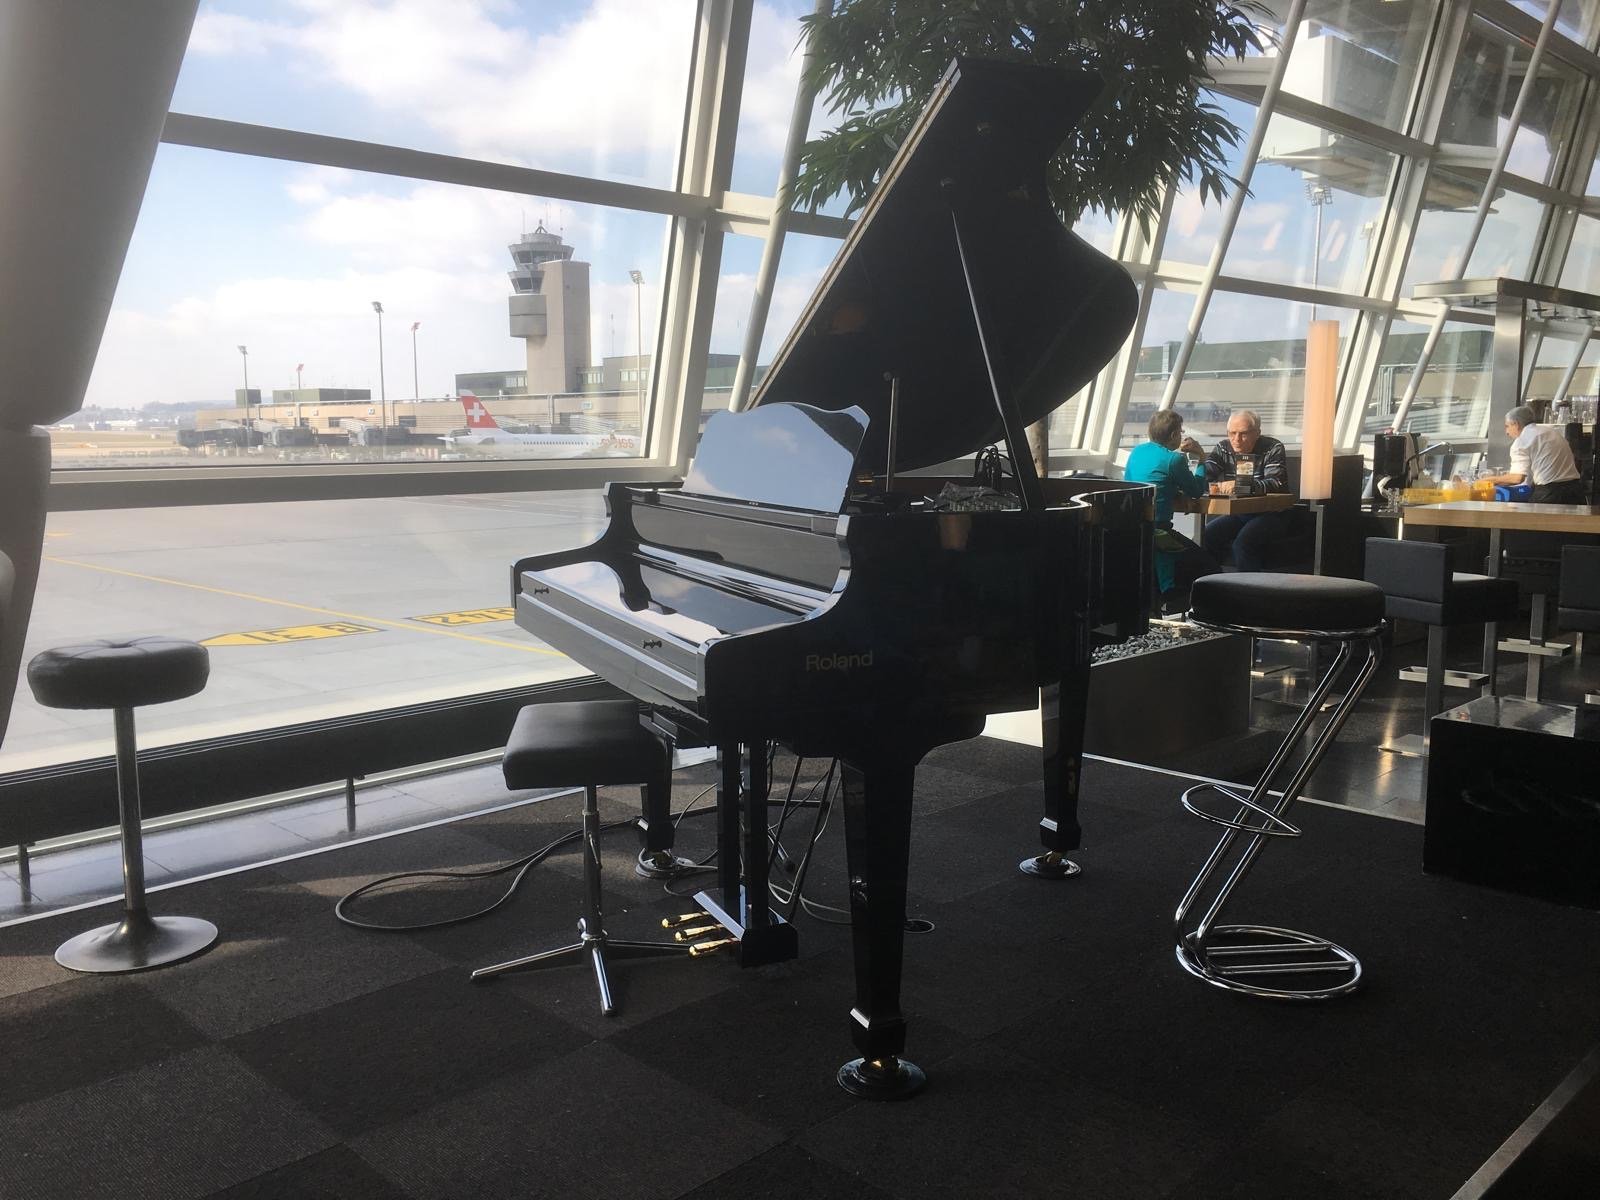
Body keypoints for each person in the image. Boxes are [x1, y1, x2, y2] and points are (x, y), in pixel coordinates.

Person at [1124, 409, 1217, 613]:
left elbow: (1140, 484)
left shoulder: (1137, 452)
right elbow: (1196, 490)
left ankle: (1167, 602)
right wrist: (1201, 458)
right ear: (1174, 435)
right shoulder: (1174, 460)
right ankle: (1189, 609)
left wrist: (1173, 492)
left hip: (1135, 532)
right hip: (1160, 534)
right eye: (1180, 432)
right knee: (1210, 569)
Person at [1200, 408, 1296, 571]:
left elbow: (1275, 483)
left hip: (1273, 513)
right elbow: (1205, 477)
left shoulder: (1273, 447)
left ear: (1257, 433)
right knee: (1207, 536)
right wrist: (1199, 457)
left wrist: (1240, 486)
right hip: (1240, 513)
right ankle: (1213, 581)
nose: (1236, 439)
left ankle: (1248, 586)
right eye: (1232, 433)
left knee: (1243, 544)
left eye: (1243, 434)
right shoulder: (1223, 448)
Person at [1477, 405, 1584, 503]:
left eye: (1507, 426)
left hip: (1550, 494)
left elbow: (1517, 478)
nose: (1507, 432)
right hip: (1575, 491)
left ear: (1516, 424)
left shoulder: (1521, 441)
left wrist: (1488, 480)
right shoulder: (1552, 432)